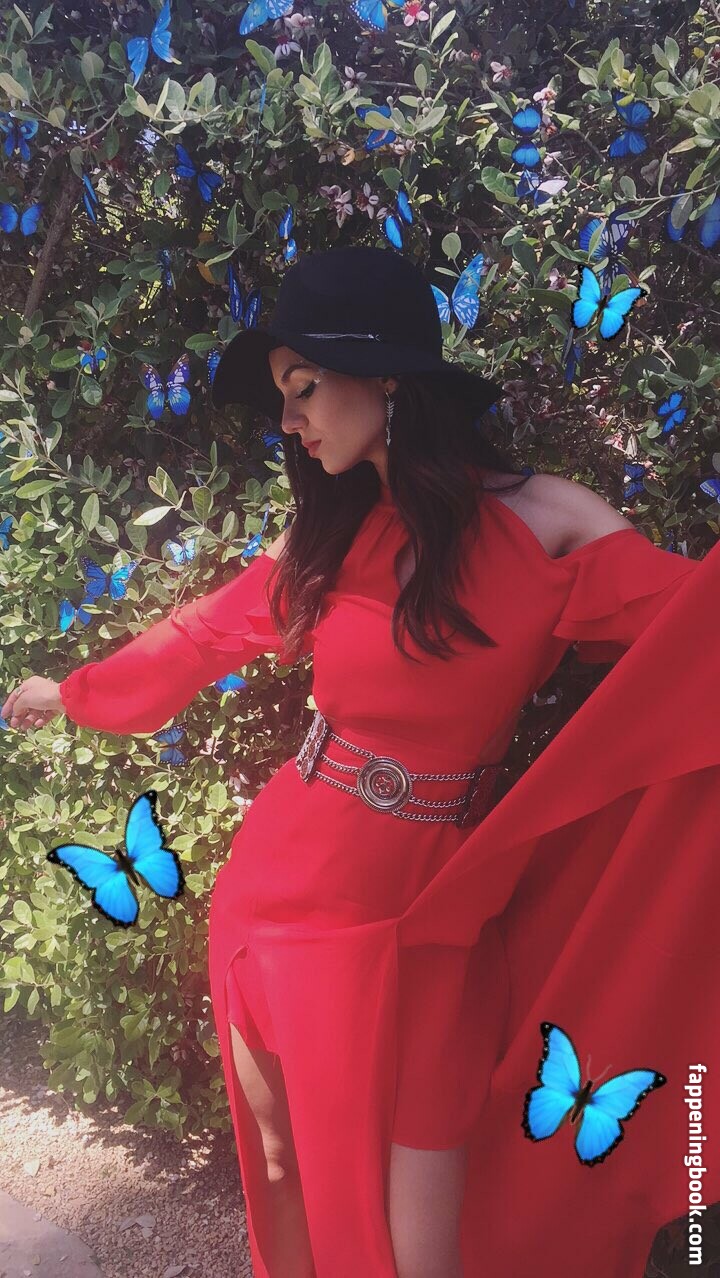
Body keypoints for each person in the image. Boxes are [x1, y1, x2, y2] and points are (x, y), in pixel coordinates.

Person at [4, 246, 720, 1278]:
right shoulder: (329, 538)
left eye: (303, 387)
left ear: (386, 377)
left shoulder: (551, 524)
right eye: (282, 397)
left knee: (424, 1232)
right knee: (284, 1164)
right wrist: (70, 693)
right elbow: (202, 636)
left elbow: (695, 636)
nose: (289, 420)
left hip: (437, 910)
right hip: (287, 894)